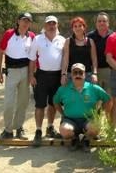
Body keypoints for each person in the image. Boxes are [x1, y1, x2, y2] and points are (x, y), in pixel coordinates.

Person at [54, 63, 111, 152]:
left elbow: (107, 99)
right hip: (70, 120)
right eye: (75, 73)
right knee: (65, 131)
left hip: (88, 119)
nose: (78, 75)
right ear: (71, 75)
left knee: (95, 127)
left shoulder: (93, 88)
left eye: (80, 73)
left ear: (84, 74)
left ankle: (86, 139)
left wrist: (100, 113)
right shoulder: (63, 89)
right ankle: (75, 139)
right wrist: (62, 114)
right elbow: (56, 102)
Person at [0, 12, 35, 140]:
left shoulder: (32, 36)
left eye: (28, 21)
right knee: (9, 103)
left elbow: (32, 58)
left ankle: (19, 128)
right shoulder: (9, 34)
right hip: (11, 72)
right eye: (24, 20)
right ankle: (7, 130)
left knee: (23, 103)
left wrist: (31, 75)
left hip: (25, 72)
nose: (26, 23)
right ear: (18, 21)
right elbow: (0, 52)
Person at [28, 15, 66, 147]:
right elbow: (32, 59)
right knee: (39, 105)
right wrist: (31, 76)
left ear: (57, 25)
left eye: (54, 23)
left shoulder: (62, 40)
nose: (51, 26)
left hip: (57, 76)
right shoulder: (37, 39)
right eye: (49, 23)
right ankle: (38, 131)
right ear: (45, 26)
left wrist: (64, 75)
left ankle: (50, 127)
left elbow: (65, 59)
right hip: (41, 76)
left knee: (53, 104)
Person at [61, 17, 98, 86]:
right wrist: (63, 74)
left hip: (87, 75)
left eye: (80, 26)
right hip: (71, 75)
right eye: (75, 26)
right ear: (72, 28)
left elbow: (94, 59)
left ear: (84, 27)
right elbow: (65, 59)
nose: (77, 28)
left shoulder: (90, 41)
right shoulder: (68, 41)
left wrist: (95, 74)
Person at [87, 12, 113, 94]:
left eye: (104, 21)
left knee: (109, 97)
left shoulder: (114, 36)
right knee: (95, 97)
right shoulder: (89, 37)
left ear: (108, 23)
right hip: (94, 71)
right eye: (99, 21)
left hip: (110, 70)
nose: (101, 23)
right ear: (96, 23)